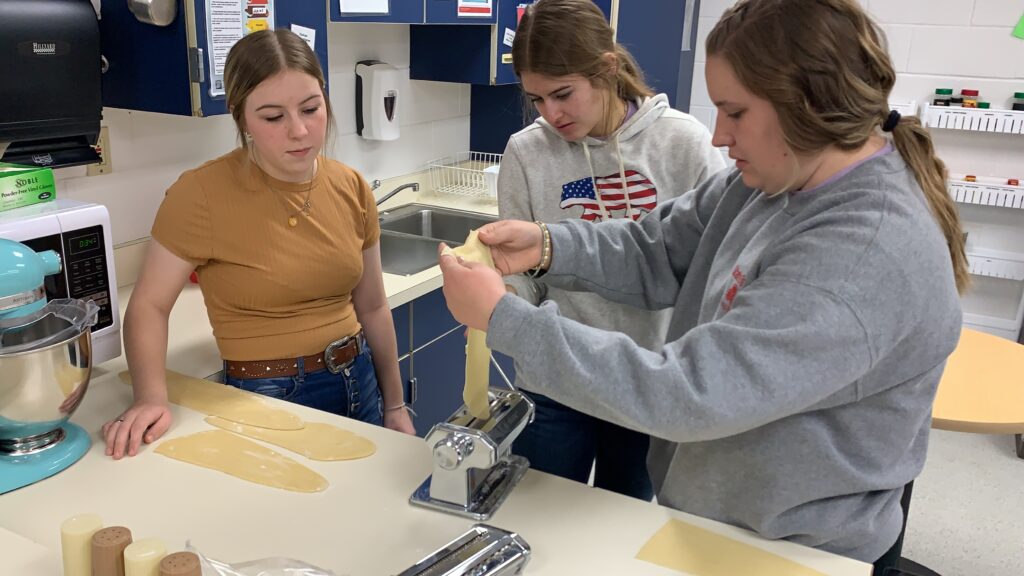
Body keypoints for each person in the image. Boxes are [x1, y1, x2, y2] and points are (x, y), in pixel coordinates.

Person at [438, 0, 967, 571]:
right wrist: (549, 245)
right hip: (728, 524)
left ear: (805, 105)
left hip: (798, 552)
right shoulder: (771, 180)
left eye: (734, 112)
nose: (717, 136)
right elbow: (655, 248)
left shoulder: (862, 250)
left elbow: (692, 392)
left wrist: (506, 320)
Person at [103, 29, 415, 460]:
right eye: (273, 117)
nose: (300, 131)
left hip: (358, 378)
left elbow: (374, 307)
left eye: (311, 108)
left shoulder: (351, 186)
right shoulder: (201, 195)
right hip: (268, 396)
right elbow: (148, 306)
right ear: (241, 117)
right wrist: (150, 396)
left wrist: (394, 405)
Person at [497, 0, 724, 501]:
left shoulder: (684, 144)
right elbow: (522, 274)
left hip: (647, 378)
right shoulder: (525, 152)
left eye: (563, 94)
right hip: (555, 381)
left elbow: (706, 267)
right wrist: (502, 303)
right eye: (536, 99)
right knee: (545, 516)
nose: (550, 114)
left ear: (608, 69)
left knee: (628, 524)